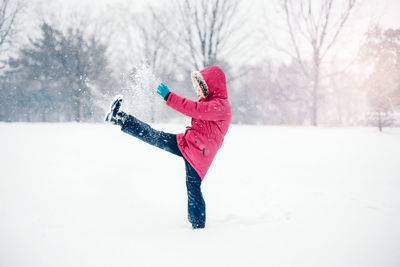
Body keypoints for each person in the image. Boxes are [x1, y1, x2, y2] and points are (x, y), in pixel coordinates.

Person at [104, 65, 231, 229]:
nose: (198, 92)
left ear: (211, 88)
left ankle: (198, 226)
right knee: (155, 136)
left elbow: (193, 109)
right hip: (189, 143)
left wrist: (169, 96)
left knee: (193, 186)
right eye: (197, 89)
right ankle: (119, 118)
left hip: (200, 153)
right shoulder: (211, 104)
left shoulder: (220, 106)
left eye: (201, 88)